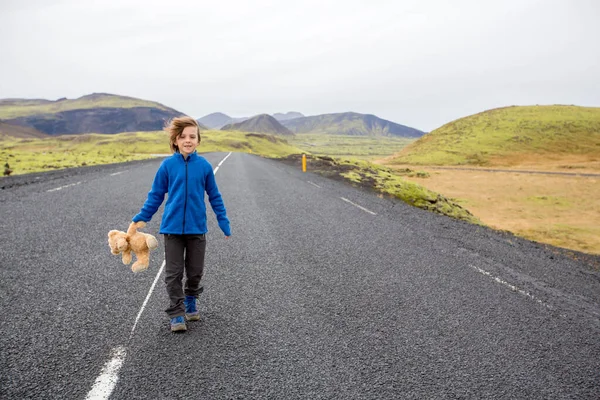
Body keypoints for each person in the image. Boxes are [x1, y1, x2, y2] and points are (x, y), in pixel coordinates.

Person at [132, 116, 231, 332]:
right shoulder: (167, 166)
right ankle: (177, 312)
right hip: (172, 229)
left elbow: (214, 196)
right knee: (173, 273)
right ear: (175, 140)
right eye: (183, 136)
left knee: (195, 271)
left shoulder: (204, 166)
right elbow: (156, 194)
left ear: (198, 140)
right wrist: (143, 216)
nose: (188, 140)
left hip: (197, 229)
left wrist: (223, 221)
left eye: (192, 136)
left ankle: (191, 298)